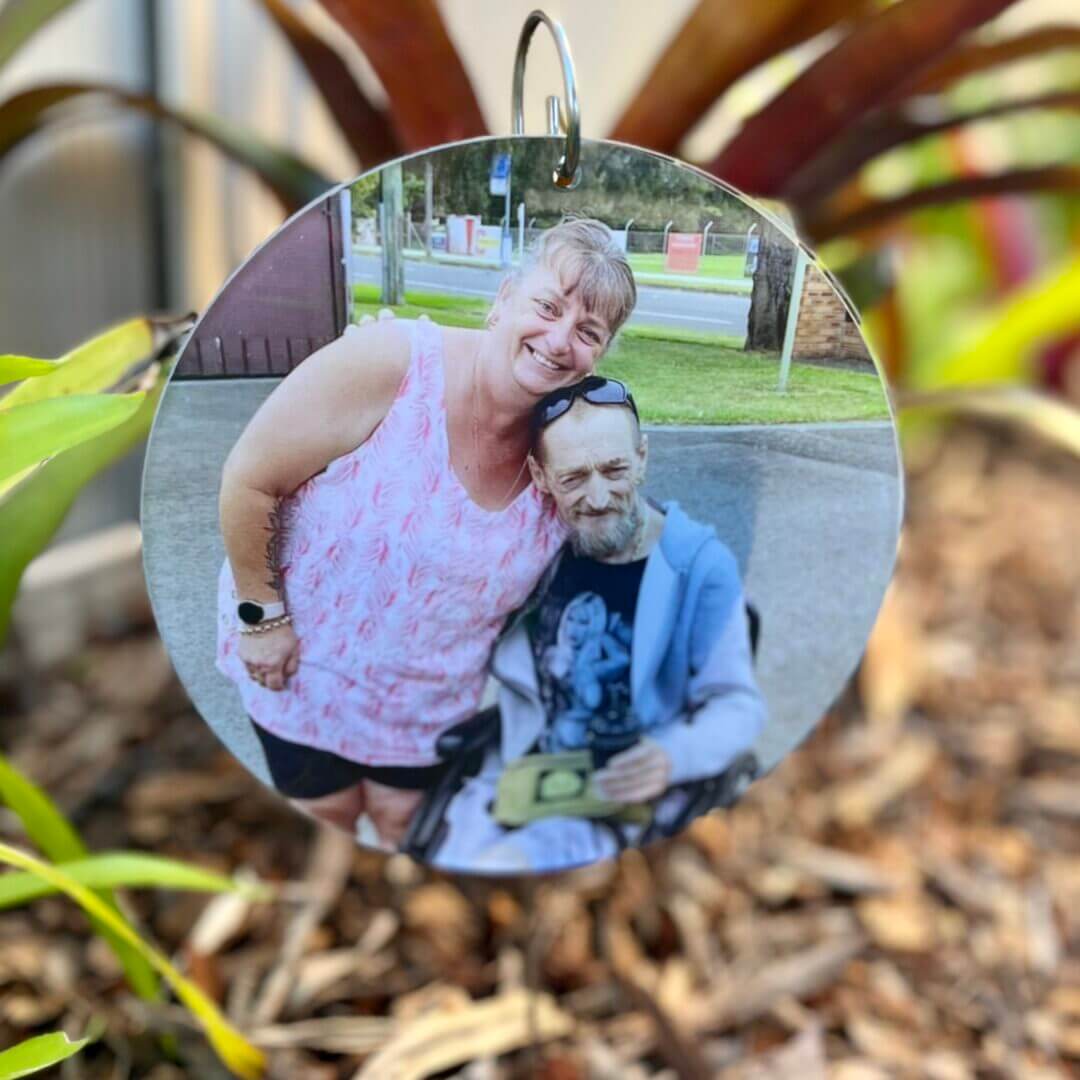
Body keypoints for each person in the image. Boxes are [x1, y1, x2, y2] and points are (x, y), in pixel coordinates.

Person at [215, 219, 636, 848]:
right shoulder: (391, 361)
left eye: (587, 331)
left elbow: (610, 547)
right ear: (503, 299)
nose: (558, 340)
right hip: (302, 673)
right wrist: (261, 616)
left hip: (430, 707)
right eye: (547, 307)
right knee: (323, 820)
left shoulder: (569, 442)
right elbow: (249, 479)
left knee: (401, 825)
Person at [435, 376, 767, 873]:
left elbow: (738, 704)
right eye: (573, 478)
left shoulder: (700, 566)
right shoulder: (531, 550)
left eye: (615, 469)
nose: (597, 497)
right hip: (526, 774)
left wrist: (674, 755)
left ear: (642, 457)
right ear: (541, 476)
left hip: (631, 799)